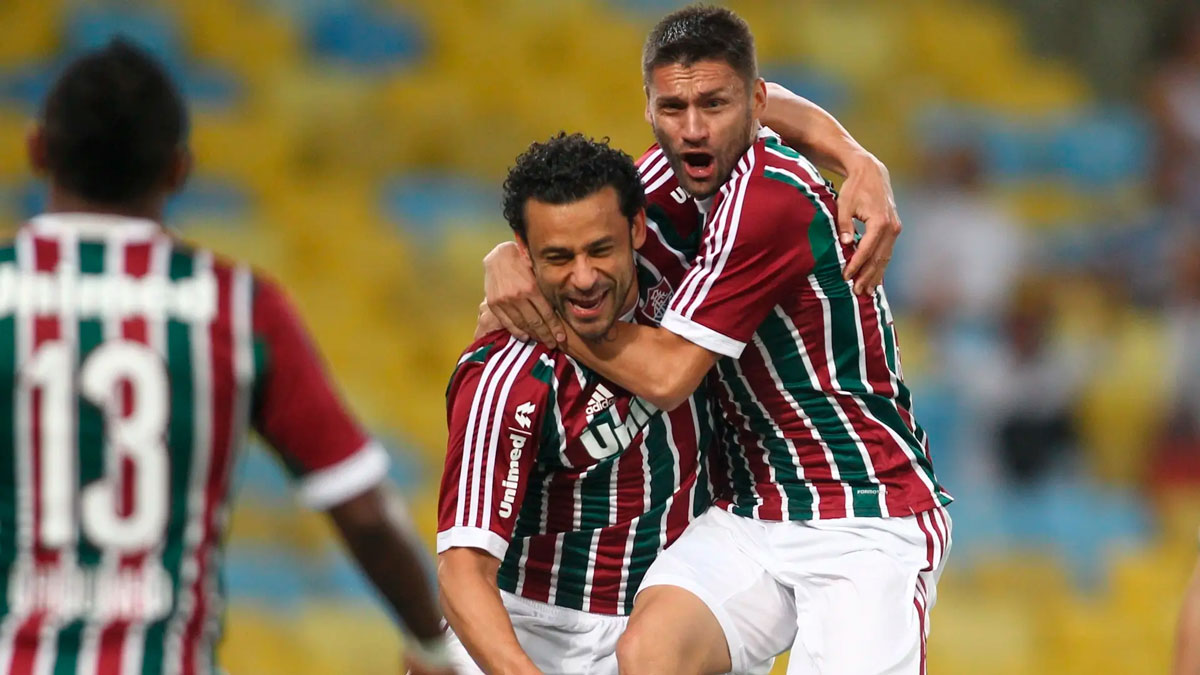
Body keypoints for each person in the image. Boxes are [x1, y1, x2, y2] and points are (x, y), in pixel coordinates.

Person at [486, 7, 950, 674]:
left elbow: (670, 374)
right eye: (673, 107)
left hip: (863, 510)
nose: (694, 128)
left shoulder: (771, 197)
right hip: (751, 509)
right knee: (651, 652)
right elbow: (572, 234)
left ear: (752, 105)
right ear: (649, 107)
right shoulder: (658, 179)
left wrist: (542, 301)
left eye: (714, 104)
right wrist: (508, 255)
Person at [0, 40, 450, 674]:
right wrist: (433, 643)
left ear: (37, 150)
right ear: (178, 170)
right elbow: (365, 511)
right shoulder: (237, 307)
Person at [437, 132, 763, 674]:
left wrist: (856, 161)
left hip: (679, 614)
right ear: (524, 251)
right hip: (534, 627)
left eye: (600, 250)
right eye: (558, 257)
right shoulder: (505, 375)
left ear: (637, 228)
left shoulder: (683, 281)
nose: (584, 278)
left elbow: (739, 111)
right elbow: (461, 570)